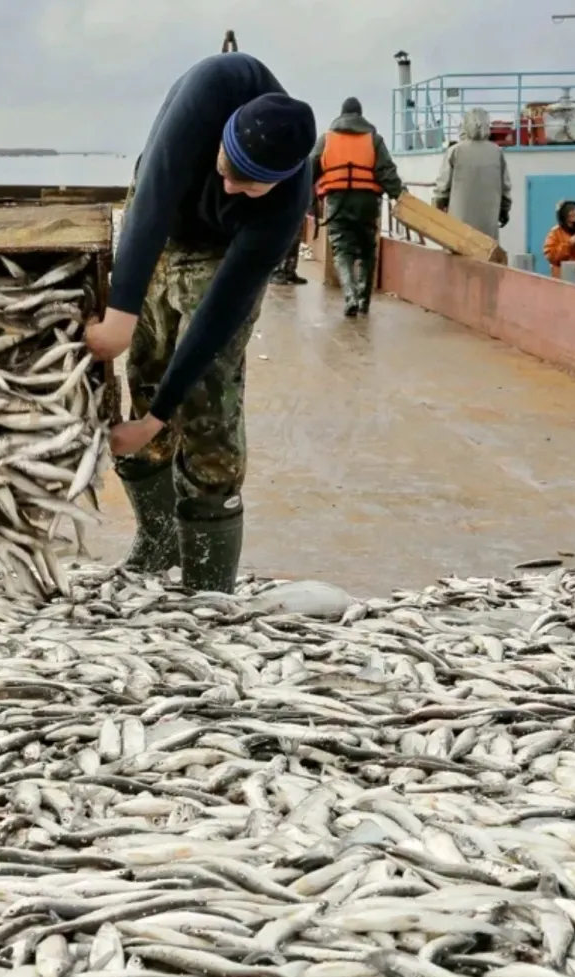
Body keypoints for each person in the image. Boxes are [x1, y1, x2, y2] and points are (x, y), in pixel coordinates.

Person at [81, 52, 316, 595]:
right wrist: (121, 314)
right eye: (229, 170)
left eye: (251, 185)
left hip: (222, 250)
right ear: (222, 139)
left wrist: (159, 418)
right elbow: (152, 203)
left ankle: (208, 581)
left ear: (282, 182)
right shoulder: (208, 93)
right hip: (162, 224)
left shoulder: (284, 207)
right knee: (144, 364)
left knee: (208, 400)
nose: (232, 188)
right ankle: (157, 540)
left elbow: (219, 316)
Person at [311, 96, 405, 316]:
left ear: (341, 114)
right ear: (360, 115)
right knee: (366, 249)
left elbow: (311, 165)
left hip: (337, 200)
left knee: (342, 249)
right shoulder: (373, 138)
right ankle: (364, 299)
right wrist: (399, 194)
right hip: (366, 202)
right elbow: (386, 171)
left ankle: (350, 295)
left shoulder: (327, 138)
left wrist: (302, 194)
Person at [432, 107, 509, 243]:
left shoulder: (455, 151)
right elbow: (505, 188)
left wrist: (439, 205)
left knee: (457, 258)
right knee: (486, 257)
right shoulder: (497, 152)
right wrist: (504, 211)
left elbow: (442, 187)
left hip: (458, 226)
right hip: (488, 226)